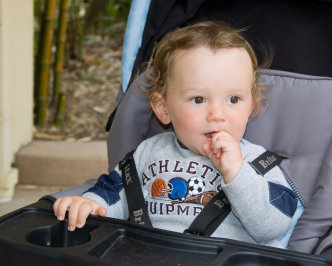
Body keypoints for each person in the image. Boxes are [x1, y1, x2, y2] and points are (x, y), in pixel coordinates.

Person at [53, 21, 303, 248]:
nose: (217, 114)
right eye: (198, 99)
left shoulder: (257, 163)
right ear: (163, 108)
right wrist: (90, 205)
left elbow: (272, 227)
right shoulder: (147, 154)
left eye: (233, 99)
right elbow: (113, 194)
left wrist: (237, 173)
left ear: (251, 106)